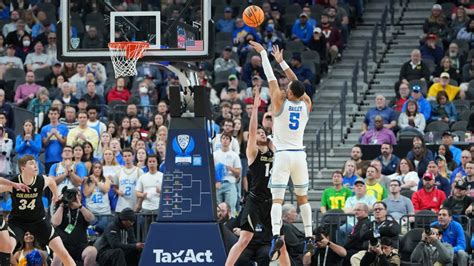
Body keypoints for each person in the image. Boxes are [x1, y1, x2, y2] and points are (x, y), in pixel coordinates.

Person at [249, 42, 314, 259]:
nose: (285, 88)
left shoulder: (279, 102)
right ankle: (310, 236)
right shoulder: (306, 103)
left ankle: (276, 234)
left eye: (288, 88)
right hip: (299, 155)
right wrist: (283, 62)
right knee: (303, 198)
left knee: (277, 200)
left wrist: (263, 55)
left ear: (290, 93)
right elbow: (296, 84)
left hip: (283, 155)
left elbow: (271, 78)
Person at [225, 87, 290, 266]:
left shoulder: (274, 151)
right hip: (254, 201)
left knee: (281, 243)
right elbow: (253, 130)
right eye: (259, 133)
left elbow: (279, 134)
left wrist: (278, 106)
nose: (261, 134)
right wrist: (255, 106)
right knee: (244, 240)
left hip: (271, 202)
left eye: (264, 133)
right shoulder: (253, 152)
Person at [0, 155, 75, 265]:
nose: (35, 165)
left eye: (35, 163)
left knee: (63, 253)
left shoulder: (41, 180)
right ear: (23, 168)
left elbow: (51, 181)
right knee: (7, 249)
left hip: (39, 222)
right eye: (31, 163)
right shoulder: (14, 182)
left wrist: (55, 195)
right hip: (18, 223)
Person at [51, 188, 97, 266]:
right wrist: (62, 204)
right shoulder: (62, 208)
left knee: (92, 251)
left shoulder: (83, 209)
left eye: (78, 195)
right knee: (57, 256)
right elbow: (55, 223)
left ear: (81, 197)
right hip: (63, 245)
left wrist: (80, 206)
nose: (75, 197)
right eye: (72, 195)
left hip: (80, 246)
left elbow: (92, 220)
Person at [115, 148, 143, 212]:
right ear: (122, 158)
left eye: (129, 155)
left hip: (135, 205)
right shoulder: (119, 171)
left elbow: (142, 189)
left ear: (133, 157)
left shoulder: (139, 171)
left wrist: (139, 204)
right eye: (125, 156)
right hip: (121, 206)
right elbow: (114, 186)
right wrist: (117, 191)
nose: (127, 158)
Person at [41, 107, 68, 173]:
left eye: (55, 114)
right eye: (51, 114)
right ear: (48, 115)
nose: (53, 116)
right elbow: (44, 144)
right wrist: (50, 135)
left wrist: (57, 135)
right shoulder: (44, 128)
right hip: (48, 159)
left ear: (58, 115)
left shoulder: (64, 128)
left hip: (61, 158)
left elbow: (65, 143)